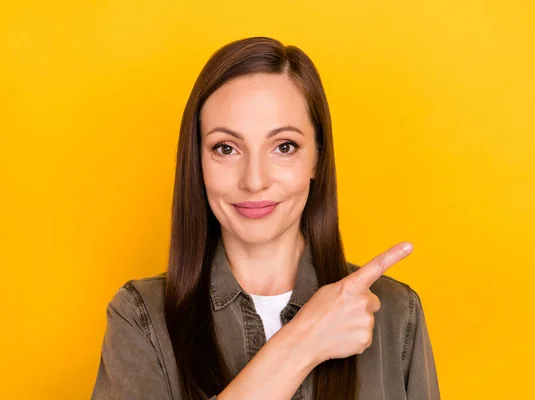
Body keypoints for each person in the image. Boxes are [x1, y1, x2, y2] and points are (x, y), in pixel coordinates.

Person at [91, 36, 440, 400]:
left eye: (283, 147)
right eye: (226, 148)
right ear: (197, 162)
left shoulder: (395, 313)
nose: (254, 181)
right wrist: (302, 344)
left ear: (317, 159)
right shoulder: (141, 316)